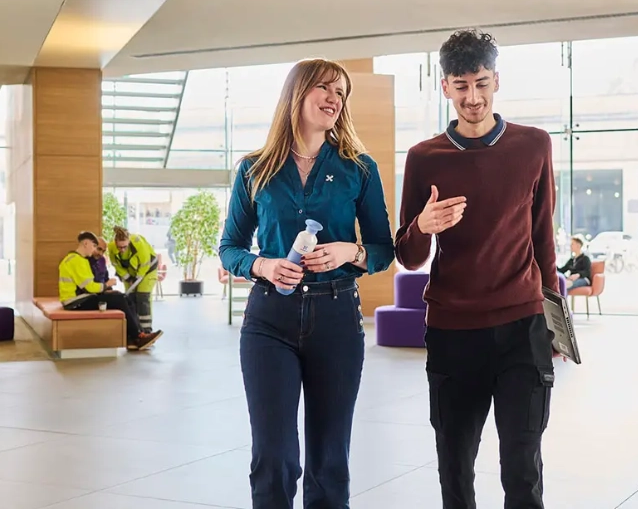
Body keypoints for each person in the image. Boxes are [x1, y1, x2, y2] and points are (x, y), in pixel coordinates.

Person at [219, 58, 394, 509]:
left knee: (330, 460)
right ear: (297, 93)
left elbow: (382, 248)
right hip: (269, 320)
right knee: (273, 457)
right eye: (325, 88)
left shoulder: (360, 168)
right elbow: (230, 247)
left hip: (336, 317)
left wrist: (349, 252)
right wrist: (263, 266)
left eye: (341, 93)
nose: (335, 99)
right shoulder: (254, 169)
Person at [395, 29, 558, 509]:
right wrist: (423, 225)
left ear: (496, 81)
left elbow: (543, 237)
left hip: (522, 328)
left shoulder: (534, 145)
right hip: (453, 333)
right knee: (455, 469)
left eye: (482, 83)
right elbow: (408, 256)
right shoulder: (424, 158)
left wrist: (556, 323)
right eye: (461, 86)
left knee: (523, 470)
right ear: (445, 86)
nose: (473, 97)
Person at [59, 231, 163, 351]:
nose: (94, 250)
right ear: (86, 244)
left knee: (123, 297)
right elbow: (90, 287)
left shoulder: (74, 258)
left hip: (80, 299)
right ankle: (137, 337)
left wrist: (106, 289)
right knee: (120, 299)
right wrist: (107, 285)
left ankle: (135, 336)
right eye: (94, 246)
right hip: (76, 302)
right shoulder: (77, 261)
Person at [108, 226, 159, 332]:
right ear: (115, 243)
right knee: (130, 298)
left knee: (142, 297)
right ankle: (135, 330)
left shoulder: (138, 243)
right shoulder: (111, 247)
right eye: (119, 247)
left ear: (129, 241)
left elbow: (145, 264)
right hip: (130, 271)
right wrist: (128, 278)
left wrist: (136, 278)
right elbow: (116, 265)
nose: (122, 250)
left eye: (125, 247)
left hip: (148, 270)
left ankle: (146, 330)